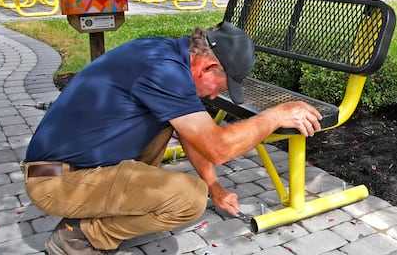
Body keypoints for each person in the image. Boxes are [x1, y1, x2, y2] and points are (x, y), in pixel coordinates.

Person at [22, 22, 322, 254]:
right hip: (55, 183)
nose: (216, 95)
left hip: (66, 168)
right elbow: (218, 148)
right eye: (221, 85)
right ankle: (79, 235)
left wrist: (214, 187)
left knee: (168, 124)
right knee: (189, 199)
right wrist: (274, 116)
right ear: (207, 66)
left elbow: (193, 134)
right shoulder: (164, 72)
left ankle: (108, 202)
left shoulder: (160, 52)